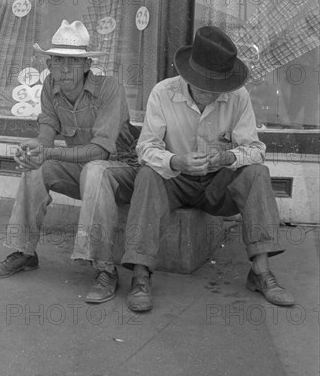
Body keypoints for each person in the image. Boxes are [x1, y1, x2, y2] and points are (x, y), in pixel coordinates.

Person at [121, 26, 295, 311]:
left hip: (217, 186)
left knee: (256, 173)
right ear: (189, 76)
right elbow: (145, 149)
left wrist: (227, 158)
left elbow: (255, 150)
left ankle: (261, 272)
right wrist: (175, 161)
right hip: (175, 180)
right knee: (148, 174)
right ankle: (140, 275)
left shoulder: (238, 97)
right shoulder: (162, 93)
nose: (212, 95)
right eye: (205, 88)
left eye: (218, 89)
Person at [0, 20, 140, 305]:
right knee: (34, 168)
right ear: (49, 63)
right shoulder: (50, 86)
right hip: (84, 172)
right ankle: (24, 252)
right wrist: (33, 149)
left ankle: (105, 268)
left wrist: (49, 153)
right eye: (58, 61)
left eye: (72, 62)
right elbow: (45, 136)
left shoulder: (109, 88)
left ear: (86, 65)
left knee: (94, 170)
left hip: (123, 173)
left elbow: (100, 152)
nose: (64, 69)